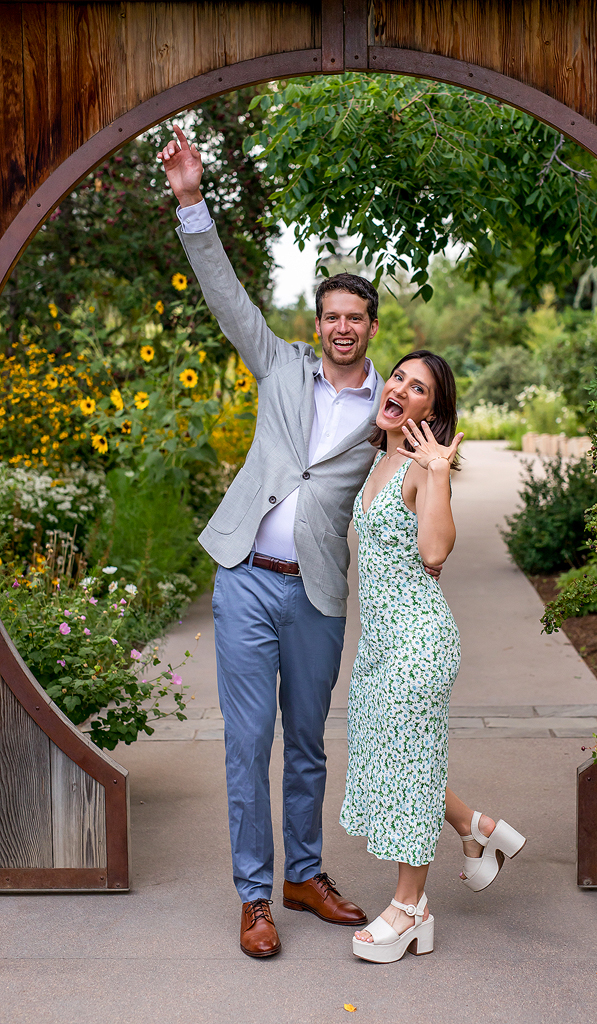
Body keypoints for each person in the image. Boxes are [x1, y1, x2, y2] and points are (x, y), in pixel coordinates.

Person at [157, 125, 441, 959]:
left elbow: (424, 479)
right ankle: (254, 896)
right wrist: (190, 201)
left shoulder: (390, 413)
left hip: (316, 594)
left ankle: (303, 875)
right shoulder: (278, 366)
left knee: (308, 742)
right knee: (248, 743)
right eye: (331, 317)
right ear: (315, 324)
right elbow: (223, 294)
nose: (342, 329)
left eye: (356, 318)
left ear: (371, 325)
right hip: (246, 576)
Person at [340, 350, 526, 964]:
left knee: (408, 765)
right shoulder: (379, 459)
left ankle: (410, 908)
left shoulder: (421, 468)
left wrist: (439, 474)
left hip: (417, 642)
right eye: (397, 377)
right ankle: (478, 828)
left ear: (433, 410)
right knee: (398, 757)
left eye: (417, 388)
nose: (399, 388)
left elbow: (435, 552)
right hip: (380, 642)